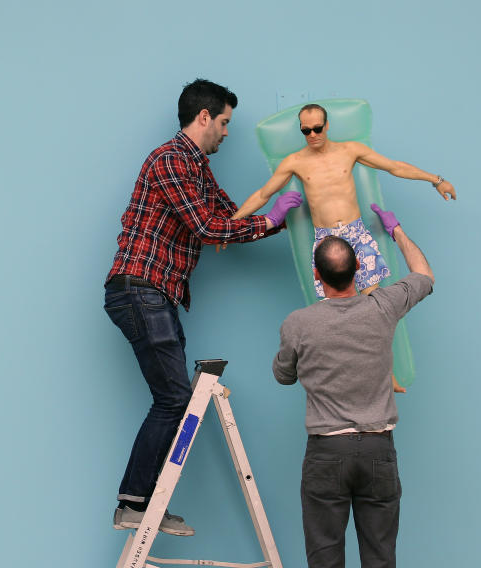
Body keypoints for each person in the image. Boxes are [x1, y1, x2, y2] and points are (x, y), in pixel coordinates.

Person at [105, 79, 299, 536]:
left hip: (158, 294)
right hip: (139, 288)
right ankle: (133, 503)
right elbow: (208, 229)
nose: (227, 133)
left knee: (175, 398)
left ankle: (142, 503)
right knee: (174, 399)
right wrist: (268, 219)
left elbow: (228, 218)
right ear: (205, 116)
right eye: (226, 122)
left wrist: (282, 219)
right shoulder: (171, 159)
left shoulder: (198, 169)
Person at [273, 204, 434, 568]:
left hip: (326, 454)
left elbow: (284, 376)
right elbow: (424, 274)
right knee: (380, 559)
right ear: (359, 269)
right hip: (378, 450)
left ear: (318, 274)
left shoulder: (298, 323)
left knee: (325, 560)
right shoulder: (384, 306)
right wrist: (396, 230)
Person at [231, 103, 455, 299]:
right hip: (326, 240)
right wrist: (232, 226)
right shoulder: (294, 162)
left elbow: (394, 167)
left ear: (327, 125)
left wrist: (436, 180)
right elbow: (263, 194)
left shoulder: (350, 150)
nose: (312, 135)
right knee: (338, 307)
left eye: (317, 128)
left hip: (357, 233)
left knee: (374, 301)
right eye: (306, 131)